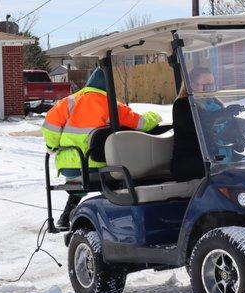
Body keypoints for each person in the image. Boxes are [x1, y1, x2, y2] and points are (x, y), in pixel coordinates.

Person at [42, 67, 162, 228]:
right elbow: (141, 124)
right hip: (100, 167)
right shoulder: (113, 105)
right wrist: (155, 116)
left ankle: (65, 216)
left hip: (69, 166)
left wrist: (52, 146)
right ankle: (118, 220)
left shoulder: (68, 102)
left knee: (86, 179)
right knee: (117, 177)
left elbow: (50, 128)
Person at [171, 67, 222, 182]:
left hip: (215, 157)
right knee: (222, 170)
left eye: (212, 85)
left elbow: (224, 130)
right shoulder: (182, 105)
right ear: (192, 86)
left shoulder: (216, 104)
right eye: (206, 85)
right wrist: (221, 114)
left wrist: (237, 130)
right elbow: (202, 127)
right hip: (190, 162)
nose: (210, 89)